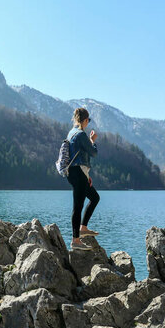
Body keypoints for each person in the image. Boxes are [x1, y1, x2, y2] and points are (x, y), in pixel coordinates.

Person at [66, 107, 100, 251]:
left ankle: (83, 227)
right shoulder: (80, 134)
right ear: (85, 120)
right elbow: (93, 153)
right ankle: (75, 241)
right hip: (78, 173)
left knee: (94, 197)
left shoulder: (71, 133)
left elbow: (79, 156)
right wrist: (92, 141)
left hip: (77, 173)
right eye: (88, 120)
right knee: (78, 207)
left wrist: (87, 176)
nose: (88, 123)